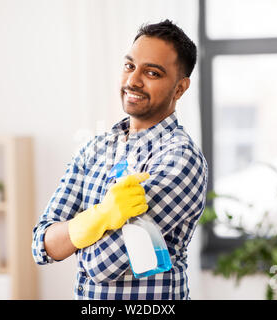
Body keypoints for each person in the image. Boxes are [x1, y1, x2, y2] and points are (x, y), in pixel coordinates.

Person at [32, 19, 208, 300]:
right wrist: (101, 216)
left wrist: (74, 235)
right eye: (129, 66)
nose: (133, 81)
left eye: (152, 72)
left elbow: (100, 266)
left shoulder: (180, 159)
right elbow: (43, 245)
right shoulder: (95, 148)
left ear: (179, 89)